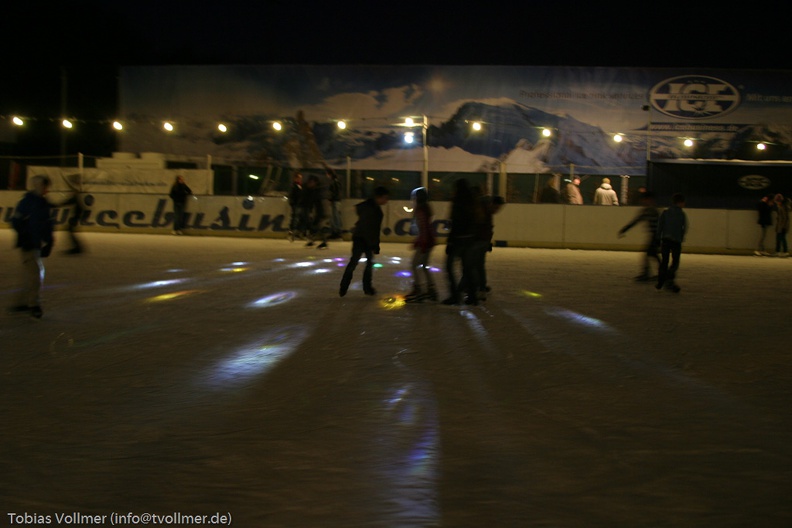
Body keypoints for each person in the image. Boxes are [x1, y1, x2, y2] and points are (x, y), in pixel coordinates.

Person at [8, 175, 54, 318]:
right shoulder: (27, 202)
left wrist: (49, 241)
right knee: (35, 274)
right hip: (28, 244)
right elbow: (16, 220)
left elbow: (46, 224)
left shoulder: (43, 203)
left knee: (31, 273)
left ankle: (21, 302)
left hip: (36, 244)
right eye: (45, 186)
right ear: (39, 186)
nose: (47, 190)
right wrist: (24, 236)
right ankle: (33, 304)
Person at [339, 186, 390, 297]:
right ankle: (351, 286)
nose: (386, 201)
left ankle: (358, 287)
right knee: (358, 262)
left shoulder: (371, 207)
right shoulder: (375, 211)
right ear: (378, 197)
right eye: (385, 198)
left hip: (362, 238)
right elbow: (372, 228)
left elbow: (358, 210)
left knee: (363, 263)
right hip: (363, 239)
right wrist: (374, 245)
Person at [442, 178, 480, 305]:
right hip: (470, 240)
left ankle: (455, 295)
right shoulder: (472, 202)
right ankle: (473, 296)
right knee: (467, 269)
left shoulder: (458, 202)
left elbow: (456, 224)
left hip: (459, 240)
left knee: (449, 266)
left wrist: (450, 242)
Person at [404, 187, 437, 303]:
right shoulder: (426, 208)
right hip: (429, 240)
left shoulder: (420, 210)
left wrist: (421, 242)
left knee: (414, 264)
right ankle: (431, 289)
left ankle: (419, 289)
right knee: (423, 265)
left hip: (426, 241)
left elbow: (423, 228)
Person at [618, 190, 660, 281]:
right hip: (655, 236)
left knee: (650, 254)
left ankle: (648, 273)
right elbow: (637, 220)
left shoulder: (651, 211)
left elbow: (637, 221)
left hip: (656, 236)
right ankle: (660, 273)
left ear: (649, 200)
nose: (642, 202)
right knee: (652, 254)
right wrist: (625, 229)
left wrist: (625, 229)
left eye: (644, 200)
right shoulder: (649, 210)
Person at [656, 193, 687, 293]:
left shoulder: (666, 212)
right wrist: (681, 237)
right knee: (675, 262)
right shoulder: (682, 214)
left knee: (664, 261)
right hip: (676, 241)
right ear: (681, 203)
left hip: (665, 239)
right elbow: (684, 228)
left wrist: (658, 238)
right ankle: (669, 278)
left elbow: (660, 226)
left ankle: (661, 280)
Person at [324, 164, 343, 239]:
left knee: (335, 217)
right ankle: (336, 231)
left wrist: (331, 199)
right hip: (336, 201)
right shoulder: (336, 181)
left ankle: (336, 232)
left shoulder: (334, 182)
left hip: (335, 201)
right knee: (335, 217)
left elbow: (335, 192)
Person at [287, 172, 303, 241]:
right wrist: (293, 203)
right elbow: (292, 196)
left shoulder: (300, 186)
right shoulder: (294, 186)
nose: (300, 179)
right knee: (295, 218)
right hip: (296, 204)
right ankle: (292, 231)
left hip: (299, 204)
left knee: (298, 218)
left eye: (300, 178)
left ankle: (297, 232)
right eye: (299, 178)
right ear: (295, 178)